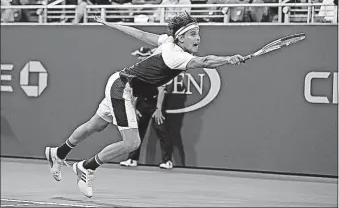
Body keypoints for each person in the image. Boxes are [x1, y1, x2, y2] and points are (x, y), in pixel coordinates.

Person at [44, 12, 245, 198]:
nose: (198, 38)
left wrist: (114, 25)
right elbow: (207, 61)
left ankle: (58, 153)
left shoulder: (167, 42)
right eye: (193, 34)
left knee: (94, 126)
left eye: (198, 34)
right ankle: (86, 167)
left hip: (119, 82)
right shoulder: (177, 56)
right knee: (132, 143)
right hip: (123, 88)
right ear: (181, 38)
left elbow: (140, 34)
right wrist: (228, 59)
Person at [120, 47, 173, 169]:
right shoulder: (137, 70)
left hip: (156, 105)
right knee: (137, 132)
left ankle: (167, 161)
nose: (139, 58)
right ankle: (132, 159)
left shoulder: (157, 70)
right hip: (142, 104)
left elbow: (161, 90)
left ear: (147, 57)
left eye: (141, 56)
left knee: (162, 132)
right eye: (138, 56)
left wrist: (158, 109)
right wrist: (133, 108)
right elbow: (133, 91)